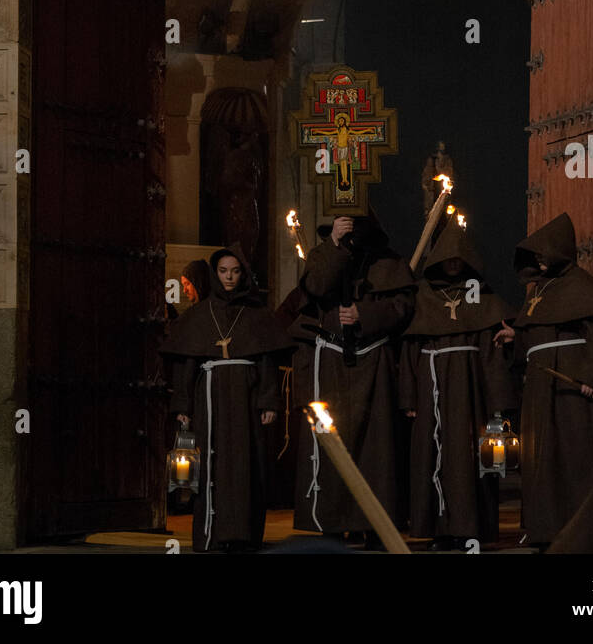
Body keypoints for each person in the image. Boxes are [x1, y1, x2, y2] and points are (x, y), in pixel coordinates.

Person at [495, 212, 593, 549]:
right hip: (541, 388)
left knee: (576, 457)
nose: (539, 261)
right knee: (542, 459)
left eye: (543, 253)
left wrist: (592, 378)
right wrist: (516, 337)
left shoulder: (582, 287)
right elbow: (536, 337)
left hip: (572, 388)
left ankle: (583, 529)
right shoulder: (538, 291)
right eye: (535, 256)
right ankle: (545, 529)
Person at [289, 213, 415, 545]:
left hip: (374, 363)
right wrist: (334, 246)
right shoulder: (322, 255)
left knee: (377, 449)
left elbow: (403, 307)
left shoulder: (389, 263)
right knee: (334, 442)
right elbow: (316, 286)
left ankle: (375, 525)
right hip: (330, 363)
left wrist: (365, 315)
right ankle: (334, 522)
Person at [161, 246, 292, 553]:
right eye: (223, 271)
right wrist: (183, 406)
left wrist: (269, 401)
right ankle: (212, 534)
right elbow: (188, 362)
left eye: (234, 271)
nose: (229, 277)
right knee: (212, 462)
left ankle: (243, 534)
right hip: (210, 395)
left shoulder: (257, 315)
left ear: (242, 273)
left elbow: (266, 360)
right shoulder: (200, 314)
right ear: (215, 274)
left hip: (246, 396)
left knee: (248, 463)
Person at [400, 220, 515, 550]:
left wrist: (497, 400)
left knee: (467, 455)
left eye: (457, 258)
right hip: (429, 384)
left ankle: (469, 527)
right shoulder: (422, 294)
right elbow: (409, 349)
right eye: (446, 258)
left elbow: (491, 348)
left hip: (468, 389)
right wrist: (409, 396)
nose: (453, 264)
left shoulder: (481, 294)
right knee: (430, 453)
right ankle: (437, 528)